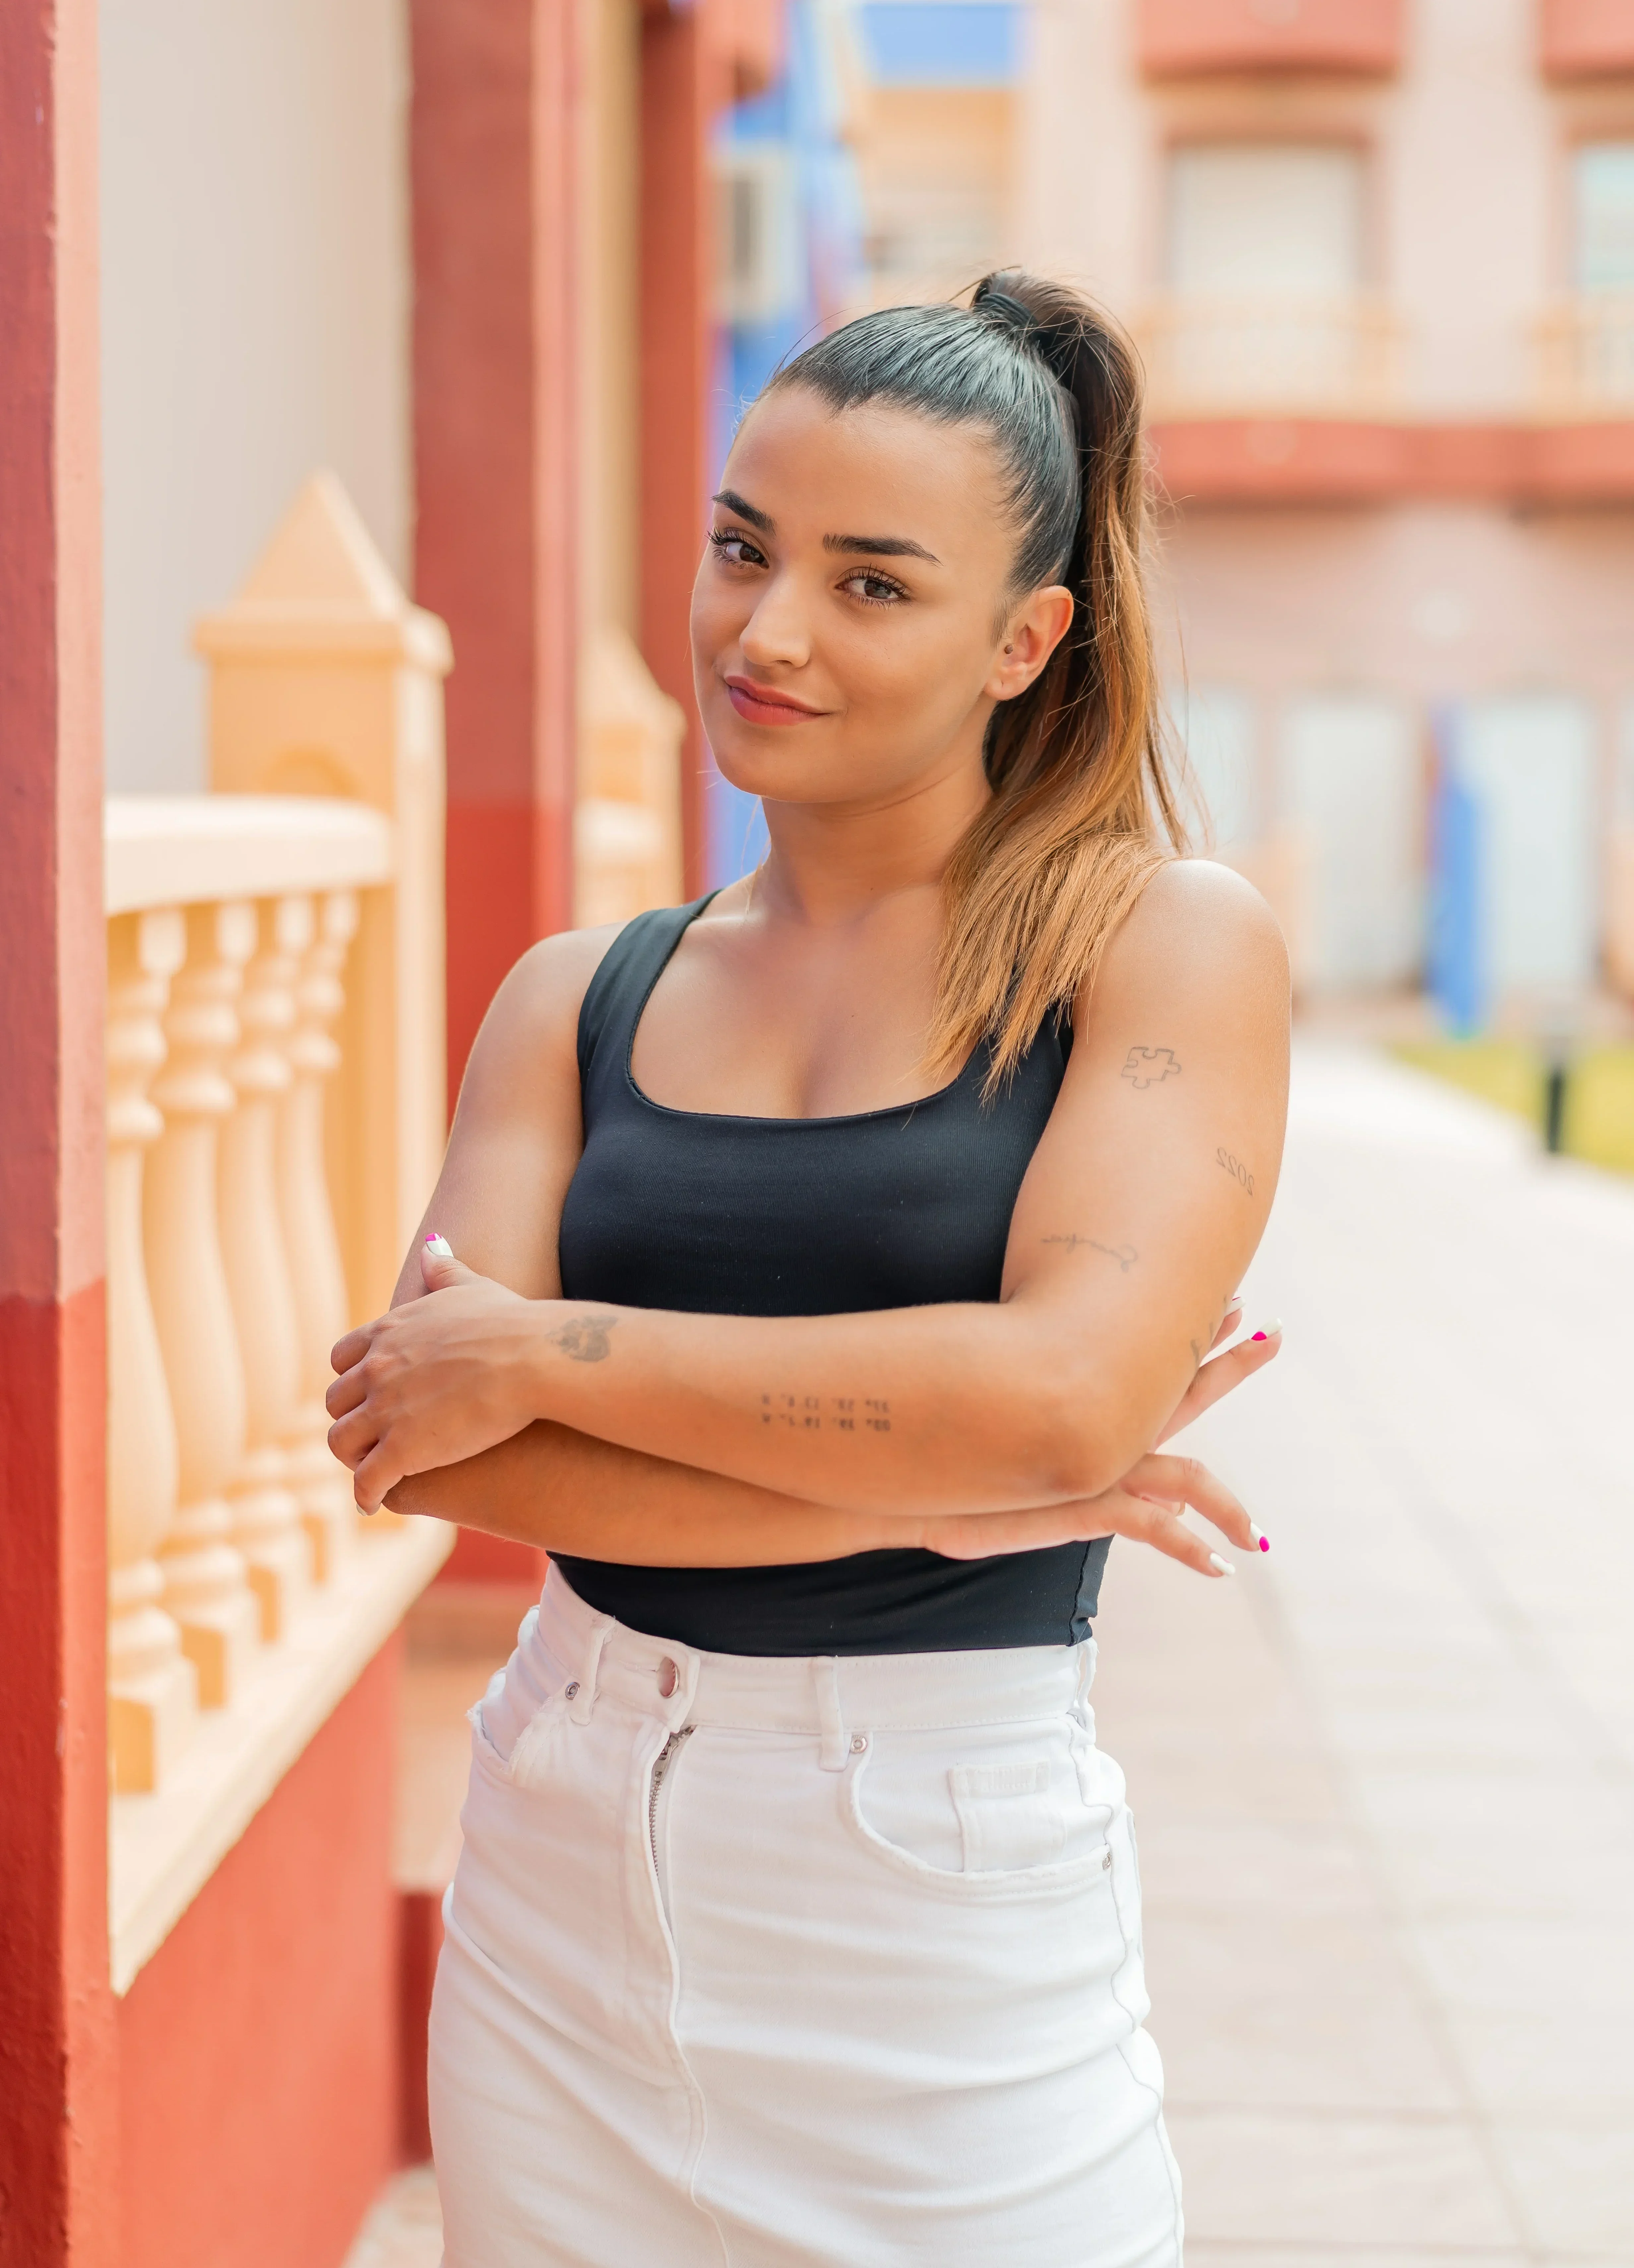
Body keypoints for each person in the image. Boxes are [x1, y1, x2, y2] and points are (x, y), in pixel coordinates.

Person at [326, 271, 1290, 2267]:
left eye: (873, 584)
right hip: (559, 1860)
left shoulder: (1157, 947)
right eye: (743, 549)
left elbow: (1063, 1400)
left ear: (1026, 639)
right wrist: (935, 1497)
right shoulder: (576, 994)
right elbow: (428, 1452)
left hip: (930, 1901)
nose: (767, 631)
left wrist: (557, 1346)